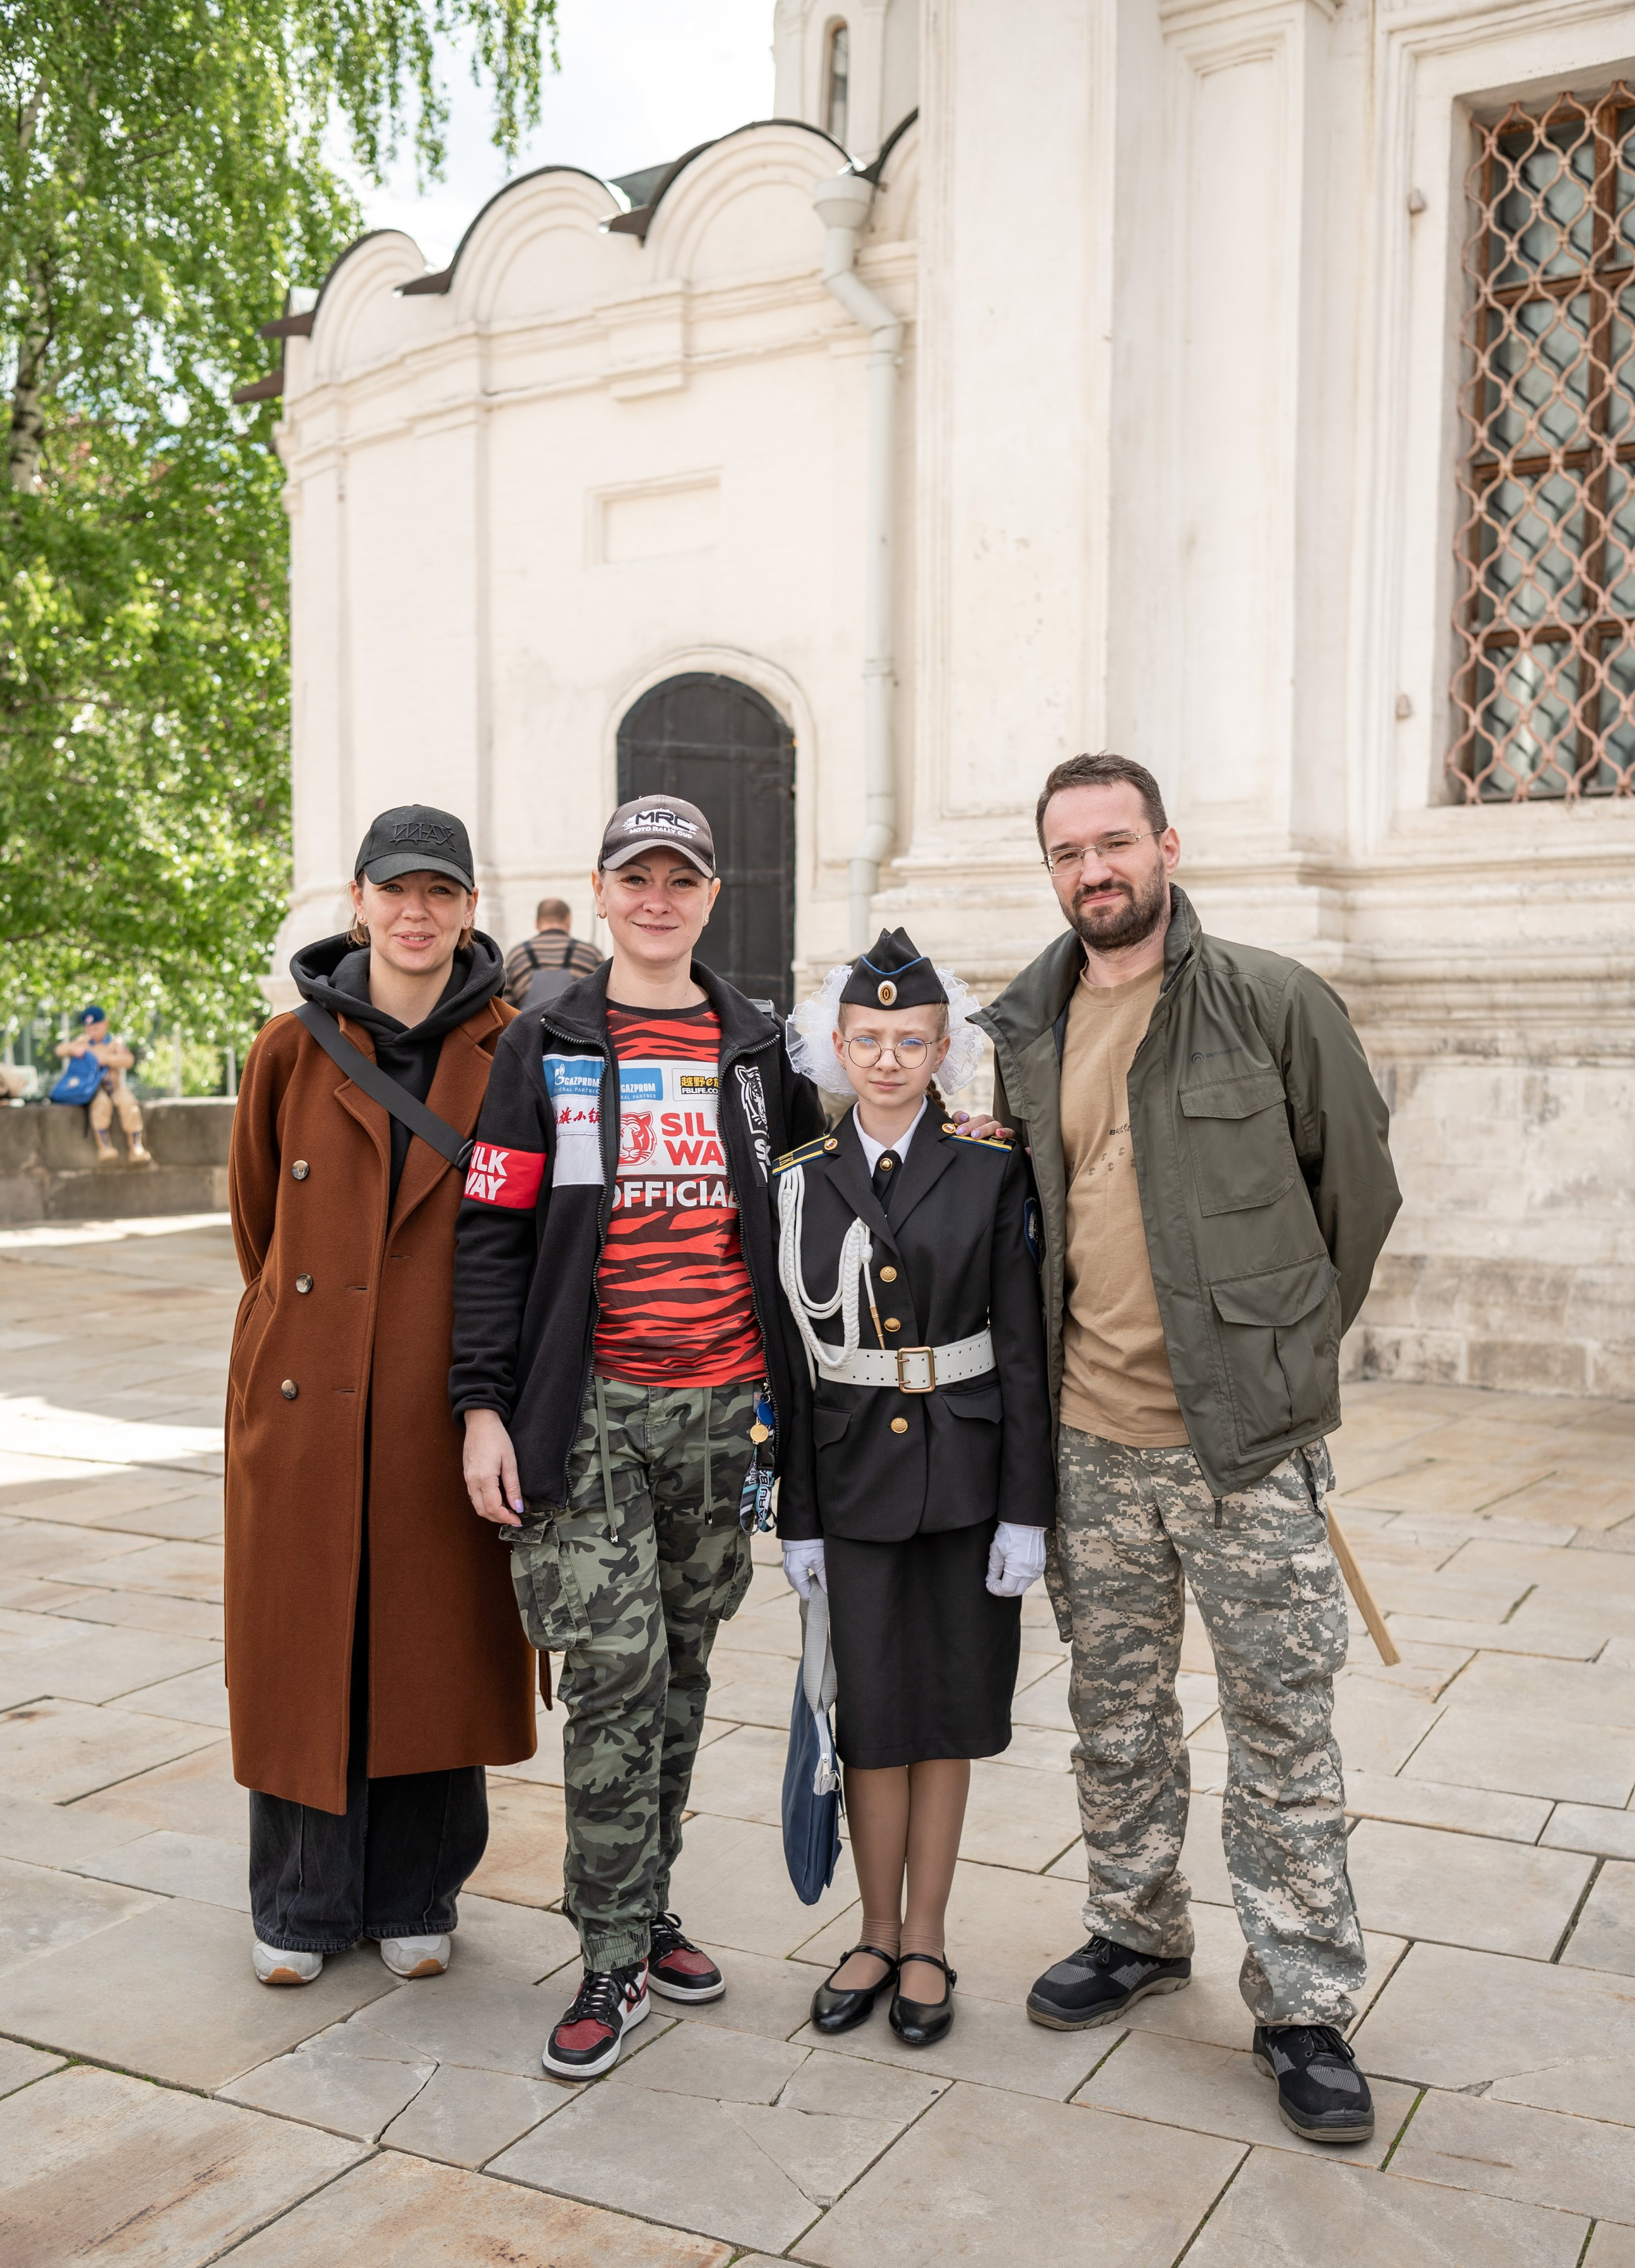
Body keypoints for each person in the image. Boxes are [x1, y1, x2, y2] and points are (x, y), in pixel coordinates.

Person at [976, 750, 1402, 2141]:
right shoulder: (1026, 1026)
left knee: (1281, 1724)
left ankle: (1298, 2003)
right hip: (1087, 1445)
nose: (1092, 870)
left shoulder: (1269, 1000)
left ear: (1165, 843)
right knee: (1113, 1713)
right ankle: (1135, 1928)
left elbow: (1358, 1191)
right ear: (1048, 870)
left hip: (1241, 1452)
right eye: (1066, 852)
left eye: (1113, 842)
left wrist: (1270, 1363)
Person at [453, 794, 825, 2078]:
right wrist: (482, 1408)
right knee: (611, 1673)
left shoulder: (762, 1051)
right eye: (636, 877)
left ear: (710, 896)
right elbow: (491, 1233)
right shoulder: (543, 1040)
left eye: (681, 877)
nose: (657, 897)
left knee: (680, 1671)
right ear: (600, 892)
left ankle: (646, 1894)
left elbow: (822, 1214)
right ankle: (608, 1947)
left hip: (727, 1417)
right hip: (591, 1408)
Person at [225, 803, 534, 1986]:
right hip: (306, 1398)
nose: (417, 912)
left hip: (443, 1401)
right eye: (395, 889)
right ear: (357, 900)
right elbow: (263, 1230)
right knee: (307, 1648)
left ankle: (418, 1890)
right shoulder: (287, 1050)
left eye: (441, 892)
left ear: (469, 909)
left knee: (431, 1646)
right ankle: (300, 1901)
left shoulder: (515, 1049)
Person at [775, 930, 1053, 2048]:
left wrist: (1027, 1506)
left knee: (948, 1714)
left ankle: (928, 1935)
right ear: (837, 1047)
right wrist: (796, 1514)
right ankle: (872, 1928)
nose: (889, 1058)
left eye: (912, 1040)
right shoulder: (798, 1181)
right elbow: (789, 1360)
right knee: (870, 1717)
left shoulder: (991, 1169)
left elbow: (1026, 1347)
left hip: (969, 1480)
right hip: (851, 1483)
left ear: (943, 1050)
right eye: (870, 1039)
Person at [53, 1007, 151, 1163]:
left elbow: (129, 1060)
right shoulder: (83, 1042)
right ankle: (104, 1146)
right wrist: (73, 1049)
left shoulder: (114, 1044)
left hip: (114, 1086)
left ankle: (136, 1146)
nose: (93, 1032)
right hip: (95, 1089)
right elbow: (59, 1050)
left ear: (105, 1025)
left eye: (96, 1028)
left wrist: (109, 1059)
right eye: (89, 1029)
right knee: (101, 1105)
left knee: (129, 1103)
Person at [502, 896, 604, 1015]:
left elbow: (505, 1007)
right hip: (579, 1031)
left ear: (537, 922)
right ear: (568, 920)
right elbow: (605, 1000)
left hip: (527, 1031)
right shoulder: (590, 953)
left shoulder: (517, 955)